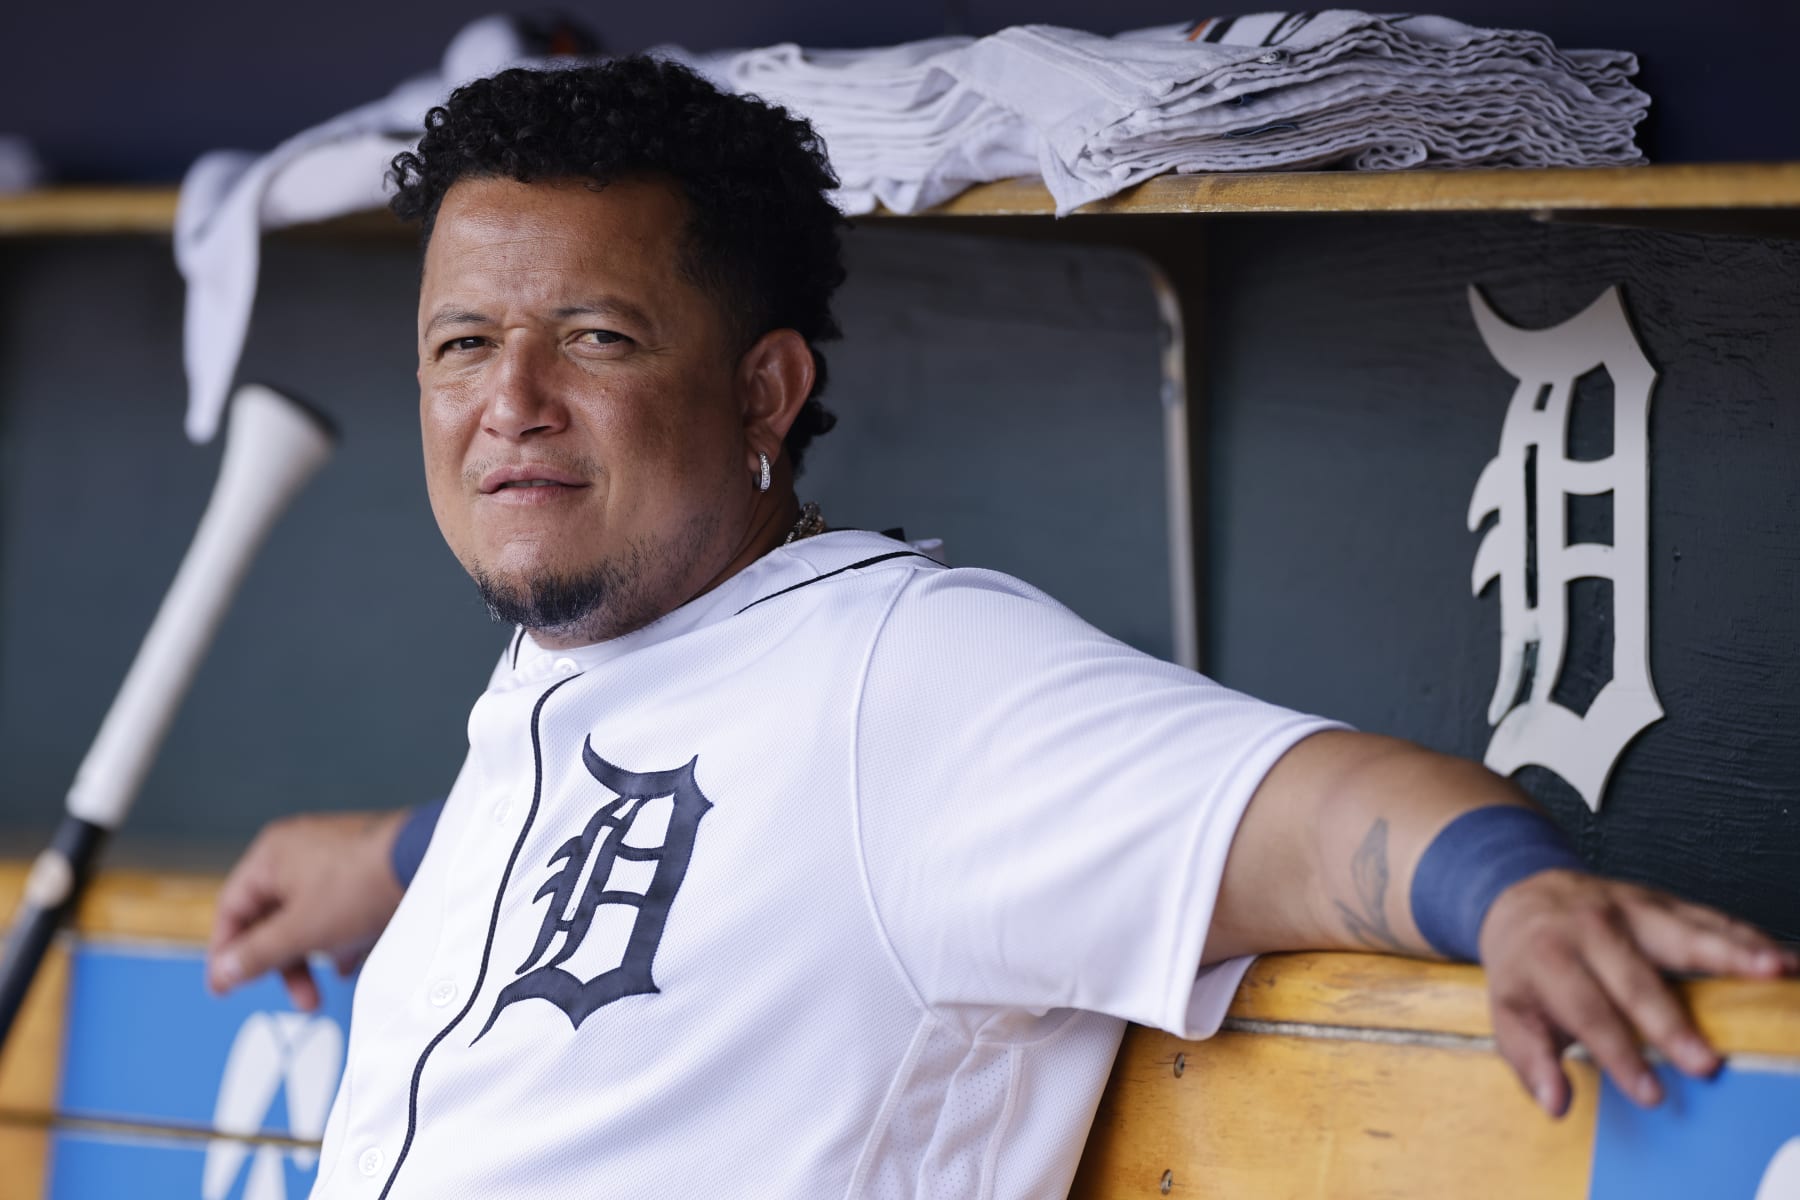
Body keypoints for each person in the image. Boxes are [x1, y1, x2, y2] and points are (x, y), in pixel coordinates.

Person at [204, 56, 1793, 1199]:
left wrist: (1513, 902)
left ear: (765, 389)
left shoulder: (914, 681)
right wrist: (403, 859)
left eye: (594, 337)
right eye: (460, 343)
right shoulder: (593, 660)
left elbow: (1301, 815)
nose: (508, 403)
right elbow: (696, 837)